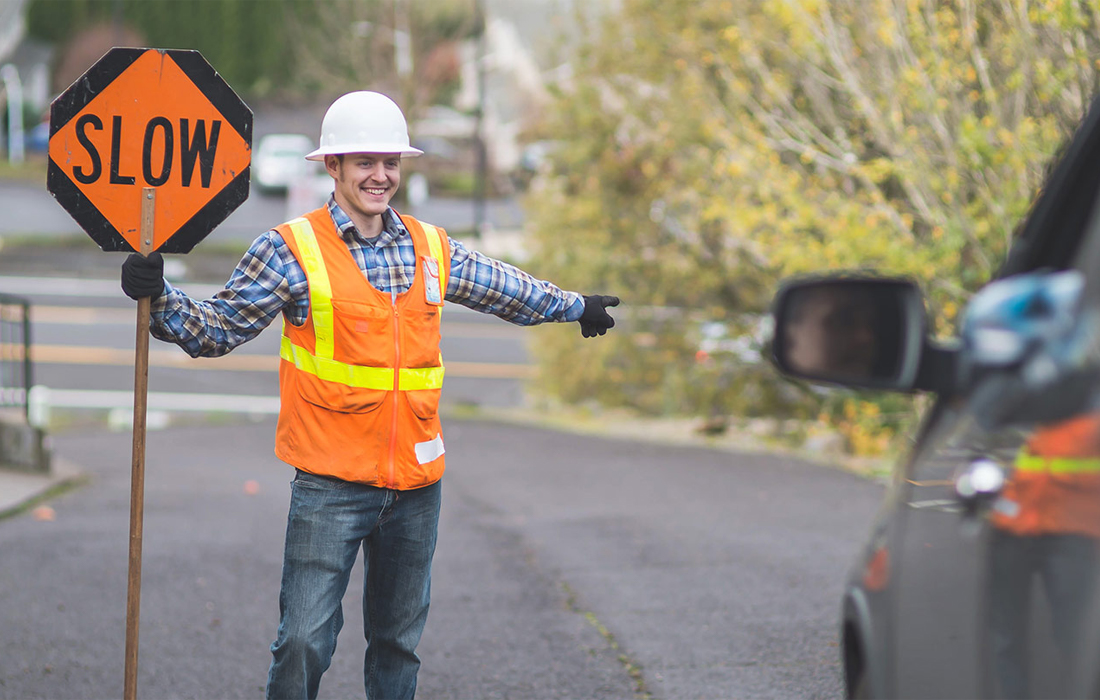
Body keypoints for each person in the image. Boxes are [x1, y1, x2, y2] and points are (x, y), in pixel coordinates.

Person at [119, 90, 619, 700]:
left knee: (397, 646)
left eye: (390, 162)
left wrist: (575, 306)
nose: (381, 176)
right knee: (304, 641)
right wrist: (160, 297)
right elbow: (219, 329)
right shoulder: (290, 250)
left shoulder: (430, 247)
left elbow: (504, 288)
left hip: (415, 488)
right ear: (333, 167)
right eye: (364, 162)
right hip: (330, 486)